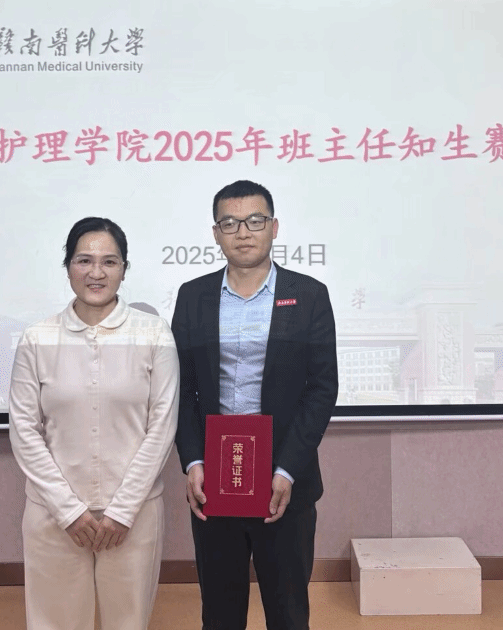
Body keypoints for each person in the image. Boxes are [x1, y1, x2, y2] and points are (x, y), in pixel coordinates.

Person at [174, 180, 339, 630]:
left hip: (284, 480)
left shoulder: (308, 295)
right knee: (220, 614)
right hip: (215, 478)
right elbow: (181, 390)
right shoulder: (193, 296)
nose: (243, 232)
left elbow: (322, 389)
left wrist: (287, 469)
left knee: (288, 613)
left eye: (254, 220)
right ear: (216, 233)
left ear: (274, 227)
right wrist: (193, 460)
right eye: (230, 223)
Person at [9, 217, 179, 630]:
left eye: (109, 261)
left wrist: (122, 510)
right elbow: (24, 430)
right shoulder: (37, 338)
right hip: (53, 516)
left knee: (128, 622)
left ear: (124, 269)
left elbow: (162, 426)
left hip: (134, 516)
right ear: (67, 266)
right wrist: (68, 511)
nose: (96, 272)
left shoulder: (154, 334)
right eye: (84, 260)